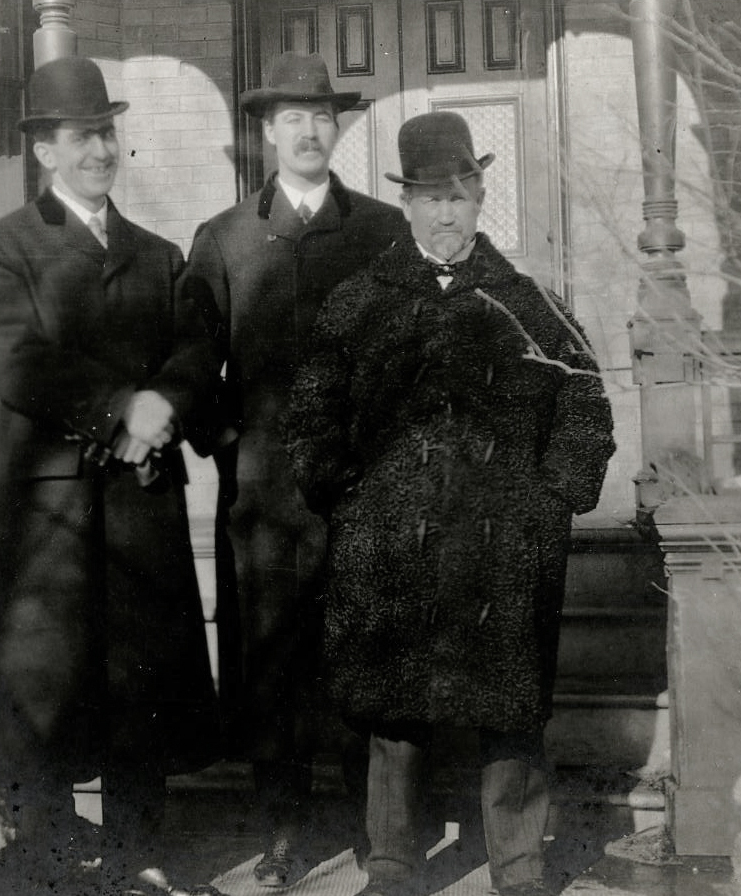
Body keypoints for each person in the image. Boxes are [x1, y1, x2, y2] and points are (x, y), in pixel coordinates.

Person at [284, 112, 617, 896]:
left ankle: (520, 865)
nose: (446, 213)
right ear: (406, 204)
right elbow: (311, 413)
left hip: (503, 544)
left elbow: (586, 408)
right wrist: (346, 497)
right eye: (431, 196)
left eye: (460, 195)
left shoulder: (531, 303)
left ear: (479, 197)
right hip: (390, 541)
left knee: (509, 708)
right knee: (394, 709)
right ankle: (395, 865)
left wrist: (554, 496)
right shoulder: (357, 302)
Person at [0, 55, 223, 896]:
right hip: (53, 507)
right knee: (48, 683)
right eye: (80, 139)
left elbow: (197, 346)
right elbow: (16, 360)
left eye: (107, 135)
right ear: (44, 150)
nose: (99, 152)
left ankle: (139, 847)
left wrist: (164, 405)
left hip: (141, 495)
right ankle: (44, 856)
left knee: (139, 678)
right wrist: (121, 409)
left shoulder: (158, 254)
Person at [180, 52, 406, 887]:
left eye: (323, 116)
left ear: (337, 126)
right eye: (292, 119)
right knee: (272, 666)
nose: (310, 131)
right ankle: (280, 831)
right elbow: (192, 359)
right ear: (267, 132)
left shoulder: (382, 231)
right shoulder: (227, 238)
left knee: (361, 656)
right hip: (266, 497)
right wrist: (230, 440)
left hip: (364, 489)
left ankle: (372, 831)